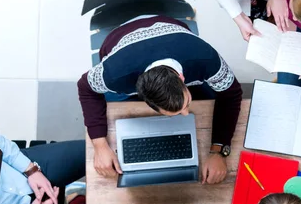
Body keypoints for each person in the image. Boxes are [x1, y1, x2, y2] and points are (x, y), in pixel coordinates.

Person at [77, 15, 243, 185]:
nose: (186, 114)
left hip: (177, 35)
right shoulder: (115, 74)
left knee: (213, 94)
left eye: (185, 105)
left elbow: (232, 94)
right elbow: (85, 88)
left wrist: (219, 150)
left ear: (181, 77)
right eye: (175, 113)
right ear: (143, 97)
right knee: (112, 102)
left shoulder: (205, 58)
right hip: (119, 42)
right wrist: (99, 144)